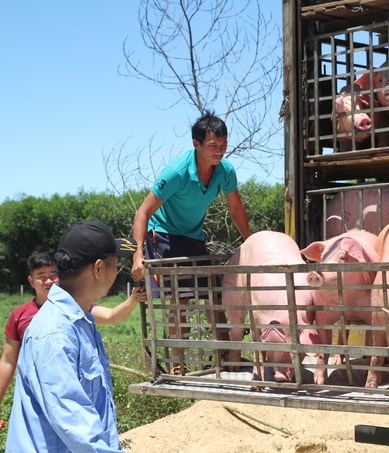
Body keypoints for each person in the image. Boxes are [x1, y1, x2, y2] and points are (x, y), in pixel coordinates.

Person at [131, 110, 251, 371]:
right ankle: (179, 362)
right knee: (180, 298)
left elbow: (236, 207)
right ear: (196, 144)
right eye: (212, 146)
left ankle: (226, 354)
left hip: (194, 236)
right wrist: (137, 254)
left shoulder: (225, 170)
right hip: (163, 234)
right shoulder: (177, 172)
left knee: (214, 294)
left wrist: (251, 243)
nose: (219, 151)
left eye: (223, 145)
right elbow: (143, 212)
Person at [6, 220, 138, 452]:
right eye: (115, 264)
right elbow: (75, 427)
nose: (117, 272)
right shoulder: (55, 332)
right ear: (98, 268)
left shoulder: (80, 320)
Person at [0, 248, 146, 411]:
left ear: (61, 277)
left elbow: (112, 316)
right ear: (31, 281)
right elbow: (8, 361)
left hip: (71, 395)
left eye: (53, 275)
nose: (48, 281)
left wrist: (133, 299)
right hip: (35, 395)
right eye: (42, 277)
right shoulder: (19, 315)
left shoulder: (77, 308)